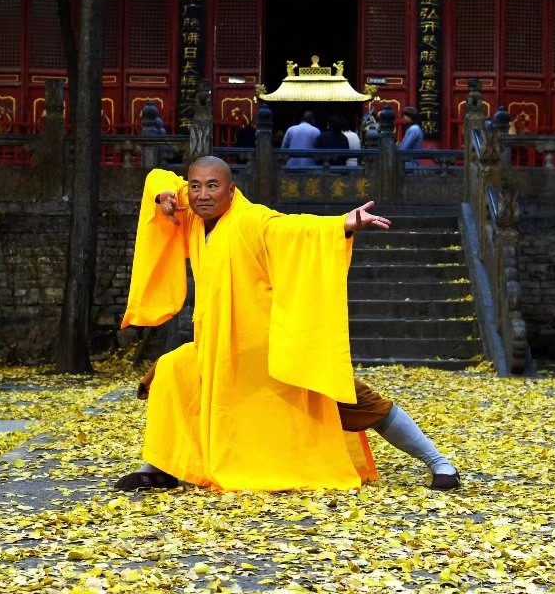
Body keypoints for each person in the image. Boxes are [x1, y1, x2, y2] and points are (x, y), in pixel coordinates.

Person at [115, 156, 460, 492]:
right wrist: (165, 195)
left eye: (212, 186)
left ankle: (438, 460)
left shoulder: (253, 220)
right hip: (218, 348)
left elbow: (294, 227)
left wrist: (342, 223)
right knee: (174, 370)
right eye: (195, 187)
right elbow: (157, 177)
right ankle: (158, 468)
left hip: (268, 348)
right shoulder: (189, 213)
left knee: (351, 399)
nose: (203, 194)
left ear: (231, 190)